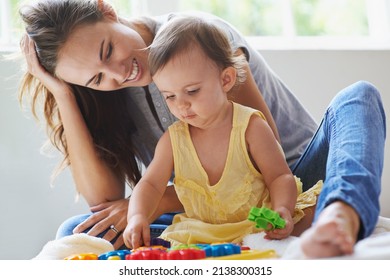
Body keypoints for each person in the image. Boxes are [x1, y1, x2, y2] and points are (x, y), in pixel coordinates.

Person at [18, 0, 386, 258]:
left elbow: (255, 164)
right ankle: (220, 240)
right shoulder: (106, 92)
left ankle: (341, 212)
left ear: (108, 10)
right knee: (78, 233)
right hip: (206, 208)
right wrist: (64, 94)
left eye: (107, 50)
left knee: (358, 97)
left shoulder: (197, 37)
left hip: (290, 181)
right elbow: (103, 199)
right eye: (96, 78)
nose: (117, 73)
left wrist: (157, 200)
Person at [122, 16, 322, 249]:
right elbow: (150, 185)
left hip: (256, 226)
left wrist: (282, 210)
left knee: (315, 207)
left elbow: (279, 176)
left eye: (192, 91)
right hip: (202, 233)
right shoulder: (172, 141)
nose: (181, 105)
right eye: (169, 96)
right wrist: (136, 217)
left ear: (226, 79)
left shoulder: (250, 127)